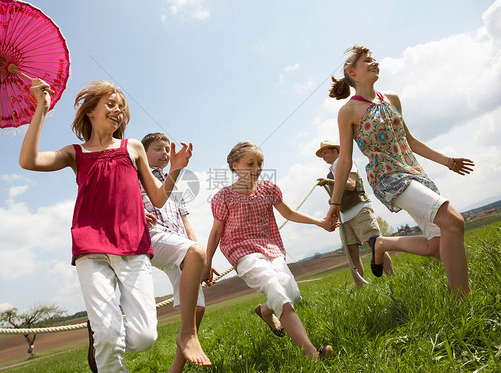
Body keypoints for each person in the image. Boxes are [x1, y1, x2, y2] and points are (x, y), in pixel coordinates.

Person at [19, 79, 194, 372]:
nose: (118, 111)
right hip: (90, 247)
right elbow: (29, 160)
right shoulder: (75, 153)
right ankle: (105, 339)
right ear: (90, 111)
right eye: (110, 104)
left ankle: (102, 337)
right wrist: (42, 108)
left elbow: (159, 199)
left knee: (144, 337)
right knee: (110, 339)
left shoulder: (133, 147)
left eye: (121, 108)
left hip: (133, 246)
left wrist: (175, 170)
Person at [327, 45, 474, 298]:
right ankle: (464, 303)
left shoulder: (392, 99)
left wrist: (448, 161)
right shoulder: (348, 111)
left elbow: (411, 141)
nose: (374, 63)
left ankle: (383, 243)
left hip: (413, 172)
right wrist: (334, 203)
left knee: (438, 245)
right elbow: (345, 162)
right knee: (453, 220)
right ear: (352, 72)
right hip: (388, 178)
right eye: (367, 61)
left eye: (374, 59)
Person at [203, 141, 337, 361]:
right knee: (275, 286)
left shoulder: (268, 189)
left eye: (260, 163)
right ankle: (311, 353)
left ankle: (266, 311)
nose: (257, 168)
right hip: (243, 253)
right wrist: (206, 265)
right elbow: (216, 232)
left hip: (271, 249)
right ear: (235, 165)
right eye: (250, 163)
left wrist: (320, 222)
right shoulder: (223, 197)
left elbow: (289, 213)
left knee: (291, 292)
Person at [140, 133, 213, 372]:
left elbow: (185, 222)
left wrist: (200, 255)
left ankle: (175, 369)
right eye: (158, 149)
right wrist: (137, 213)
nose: (164, 153)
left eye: (166, 150)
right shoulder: (137, 175)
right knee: (193, 253)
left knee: (197, 309)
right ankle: (188, 336)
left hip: (179, 245)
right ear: (143, 153)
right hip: (153, 238)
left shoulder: (175, 186)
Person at [316, 140, 394, 288]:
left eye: (326, 152)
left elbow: (351, 185)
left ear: (335, 151)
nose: (324, 156)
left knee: (376, 245)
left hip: (360, 210)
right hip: (344, 218)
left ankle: (393, 281)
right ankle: (360, 290)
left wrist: (329, 181)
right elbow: (339, 195)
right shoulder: (330, 172)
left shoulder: (347, 163)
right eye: (322, 154)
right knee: (352, 256)